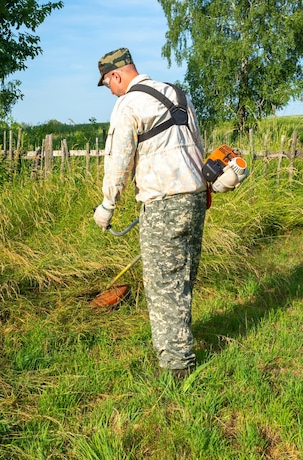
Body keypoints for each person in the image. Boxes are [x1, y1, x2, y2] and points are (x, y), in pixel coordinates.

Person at [92, 47, 208, 381]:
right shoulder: (175, 93)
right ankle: (180, 345)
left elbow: (119, 158)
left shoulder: (128, 103)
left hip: (163, 202)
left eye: (107, 84)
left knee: (162, 285)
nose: (110, 91)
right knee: (182, 278)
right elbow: (196, 144)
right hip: (195, 197)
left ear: (116, 75)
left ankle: (176, 367)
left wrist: (107, 204)